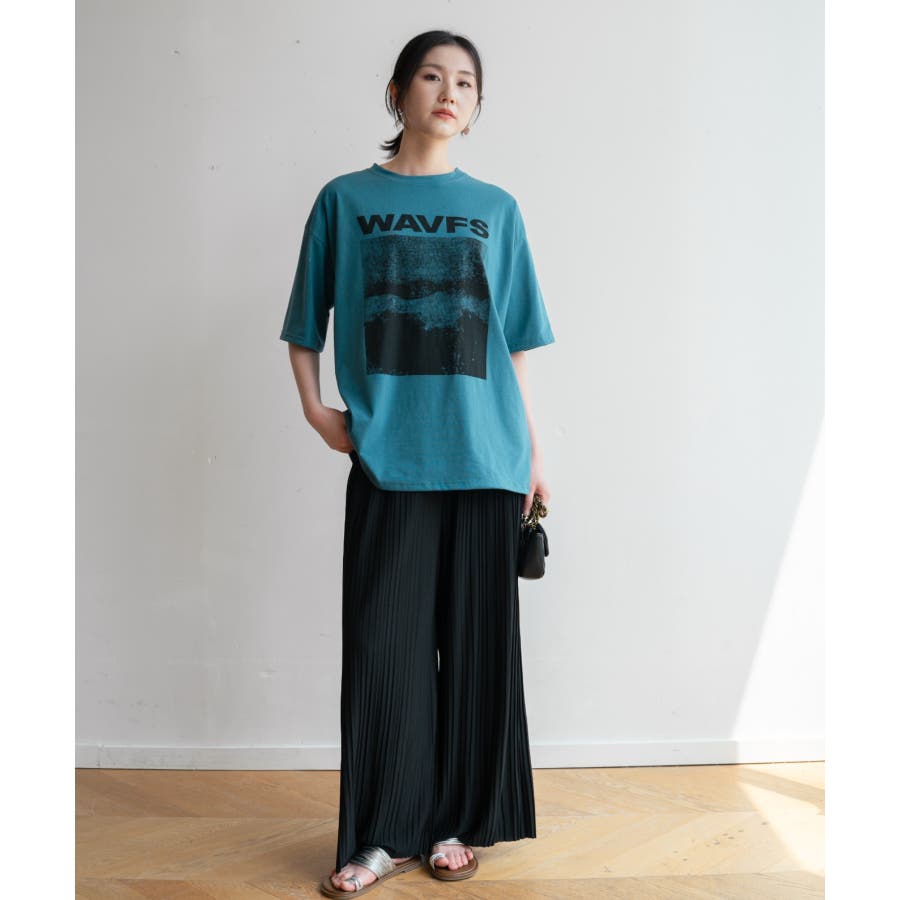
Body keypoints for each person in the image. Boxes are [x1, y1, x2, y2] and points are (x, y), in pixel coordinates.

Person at [280, 29, 556, 897]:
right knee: (386, 651)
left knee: (474, 653)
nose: (448, 91)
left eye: (465, 82)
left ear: (475, 107)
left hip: (487, 459)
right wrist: (318, 412)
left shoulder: (497, 209)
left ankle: (451, 824)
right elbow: (304, 323)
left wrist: (534, 455)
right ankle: (380, 834)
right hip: (390, 459)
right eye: (432, 76)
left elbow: (513, 347)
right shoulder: (345, 199)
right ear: (398, 92)